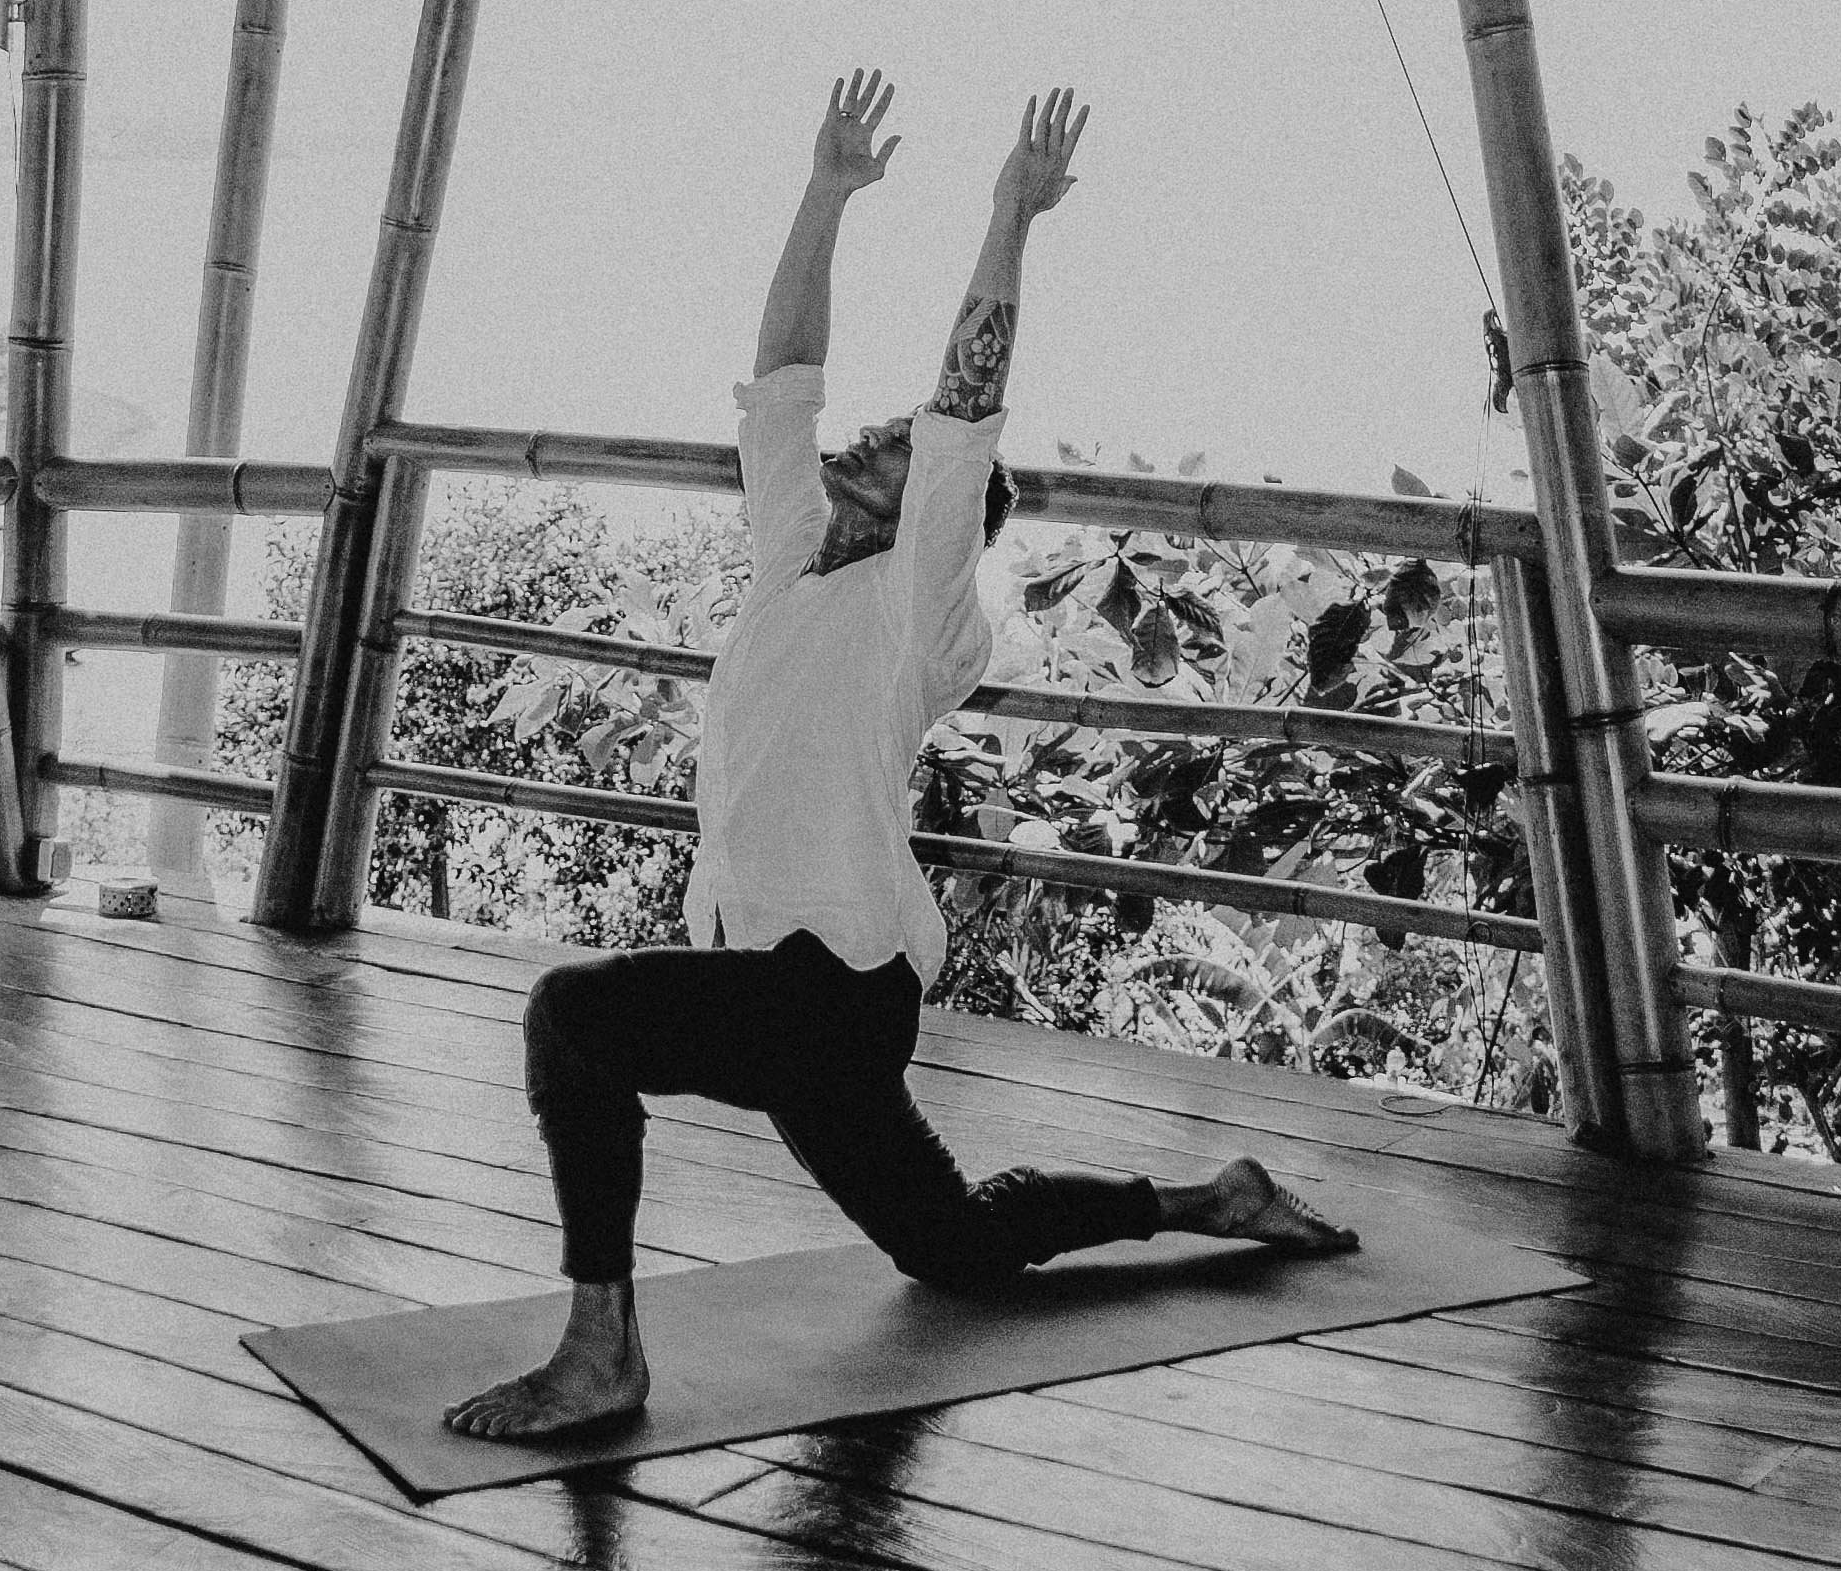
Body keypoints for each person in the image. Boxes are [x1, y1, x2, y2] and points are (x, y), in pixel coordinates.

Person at [448, 72, 1356, 1443]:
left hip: (827, 988)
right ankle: (1207, 1198)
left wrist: (1009, 215)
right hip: (797, 988)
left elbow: (960, 404)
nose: (866, 436)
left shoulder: (925, 608)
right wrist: (826, 191)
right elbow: (785, 375)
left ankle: (601, 1350)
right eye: (865, 440)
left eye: (886, 445)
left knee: (573, 1018)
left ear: (939, 513)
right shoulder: (789, 558)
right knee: (952, 1245)